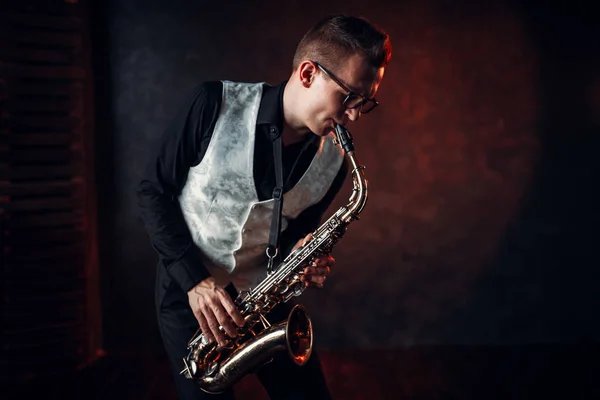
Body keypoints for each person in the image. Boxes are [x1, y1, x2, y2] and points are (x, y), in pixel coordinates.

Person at [137, 14, 392, 400]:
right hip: (189, 297)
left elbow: (291, 234)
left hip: (262, 304)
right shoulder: (211, 103)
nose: (354, 115)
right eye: (349, 97)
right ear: (308, 73)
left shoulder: (336, 162)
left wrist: (303, 257)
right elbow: (152, 191)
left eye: (365, 103)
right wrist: (195, 281)